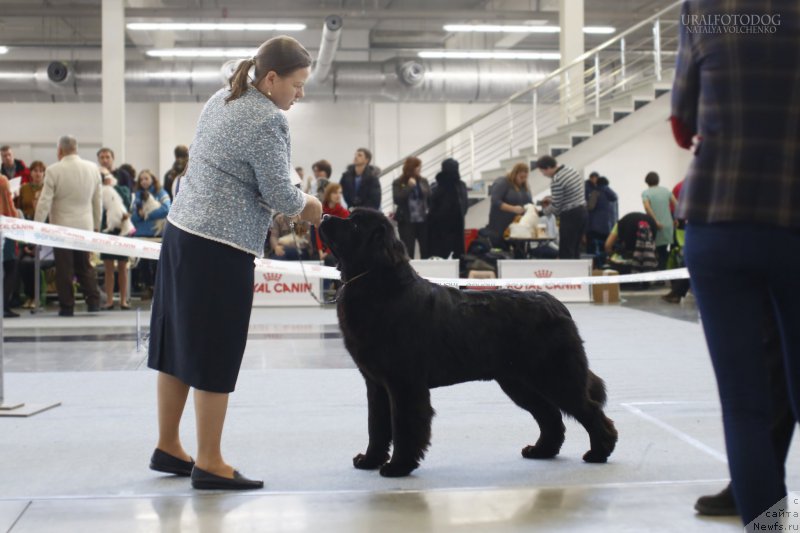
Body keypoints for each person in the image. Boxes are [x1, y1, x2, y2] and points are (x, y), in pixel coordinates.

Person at [147, 36, 322, 491]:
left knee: (177, 344)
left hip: (181, 233)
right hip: (220, 248)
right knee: (214, 348)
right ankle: (210, 461)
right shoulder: (267, 119)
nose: (299, 94)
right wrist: (315, 206)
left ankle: (169, 445)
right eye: (297, 85)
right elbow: (281, 195)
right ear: (271, 78)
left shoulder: (223, 96)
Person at [671, 0, 800, 525]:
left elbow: (682, 123)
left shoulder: (705, 8)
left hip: (719, 220)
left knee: (745, 408)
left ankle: (767, 526)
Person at [34, 135, 102, 317]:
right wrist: (97, 224)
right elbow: (98, 200)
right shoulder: (92, 168)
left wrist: (37, 226)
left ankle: (67, 306)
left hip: (62, 228)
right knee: (85, 266)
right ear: (76, 148)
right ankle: (93, 302)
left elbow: (44, 201)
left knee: (64, 268)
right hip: (85, 225)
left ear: (60, 151)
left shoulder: (54, 170)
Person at [535, 155, 588, 259]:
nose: (543, 174)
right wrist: (552, 199)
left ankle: (566, 275)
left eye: (543, 171)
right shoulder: (571, 170)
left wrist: (541, 213)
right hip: (582, 212)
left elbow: (556, 207)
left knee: (566, 251)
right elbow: (570, 194)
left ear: (548, 168)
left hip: (570, 215)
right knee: (575, 249)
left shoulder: (556, 179)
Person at [99, 170, 132, 310]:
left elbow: (127, 201)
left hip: (122, 229)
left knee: (123, 267)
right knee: (108, 268)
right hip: (106, 228)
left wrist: (113, 188)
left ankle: (123, 300)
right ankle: (110, 300)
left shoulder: (122, 189)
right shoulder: (99, 190)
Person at [484, 162, 532, 249]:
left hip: (519, 229)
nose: (523, 180)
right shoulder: (502, 182)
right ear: (515, 174)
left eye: (525, 177)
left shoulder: (524, 187)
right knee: (503, 253)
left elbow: (530, 203)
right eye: (521, 177)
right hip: (501, 227)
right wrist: (513, 209)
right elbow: (495, 201)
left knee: (520, 255)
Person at [428, 158, 468, 259]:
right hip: (457, 226)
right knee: (457, 256)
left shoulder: (437, 186)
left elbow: (431, 205)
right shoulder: (461, 185)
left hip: (438, 228)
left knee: (439, 257)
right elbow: (465, 205)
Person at [392, 156, 431, 259]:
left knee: (426, 249)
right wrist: (409, 187)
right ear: (411, 168)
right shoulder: (398, 182)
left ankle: (427, 272)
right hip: (406, 221)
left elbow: (429, 195)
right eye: (418, 167)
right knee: (408, 249)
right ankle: (409, 272)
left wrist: (420, 188)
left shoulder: (423, 181)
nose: (420, 169)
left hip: (423, 220)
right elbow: (397, 199)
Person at [641, 171, 677, 270]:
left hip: (654, 226)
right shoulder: (666, 191)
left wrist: (655, 221)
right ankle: (663, 274)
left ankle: (657, 275)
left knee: (654, 251)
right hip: (668, 225)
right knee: (663, 251)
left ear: (647, 182)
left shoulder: (646, 193)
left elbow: (647, 208)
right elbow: (677, 205)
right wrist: (676, 219)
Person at [585, 175, 618, 263]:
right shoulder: (614, 195)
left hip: (595, 228)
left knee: (593, 251)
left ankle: (595, 268)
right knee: (607, 250)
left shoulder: (595, 192)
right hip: (611, 228)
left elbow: (590, 207)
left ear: (597, 183)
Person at [0, 176, 20, 317]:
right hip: (3, 228)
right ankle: (4, 306)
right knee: (10, 267)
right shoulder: (2, 180)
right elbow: (8, 205)